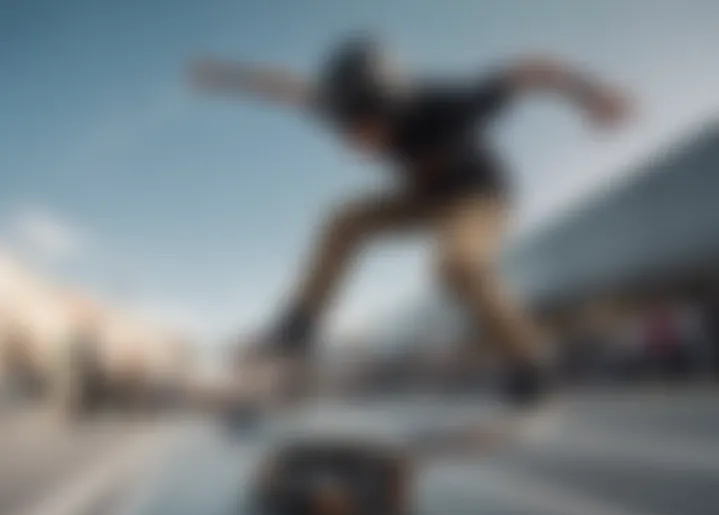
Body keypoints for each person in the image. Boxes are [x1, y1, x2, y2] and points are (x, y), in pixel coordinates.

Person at [188, 37, 631, 405]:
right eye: (348, 128)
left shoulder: (450, 104)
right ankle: (300, 326)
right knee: (344, 220)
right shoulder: (340, 104)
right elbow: (287, 87)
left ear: (393, 105)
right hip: (421, 198)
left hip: (480, 198)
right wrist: (228, 77)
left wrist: (591, 95)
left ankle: (529, 360)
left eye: (367, 127)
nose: (357, 141)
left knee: (457, 266)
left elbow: (532, 72)